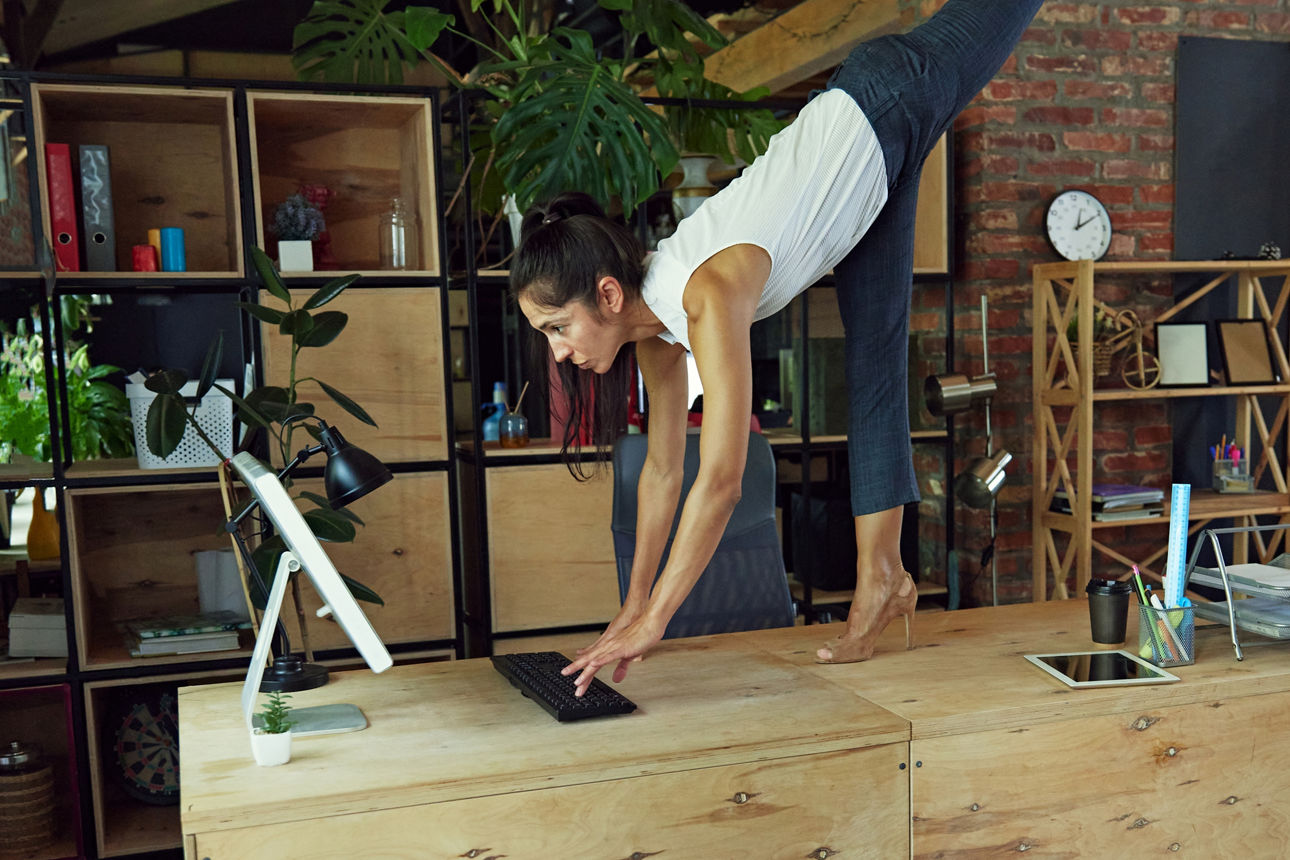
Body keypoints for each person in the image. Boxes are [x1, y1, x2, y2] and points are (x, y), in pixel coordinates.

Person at [510, 0, 1046, 696]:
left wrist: (659, 622)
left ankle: (881, 576)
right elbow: (664, 475)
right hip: (878, 175)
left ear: (607, 296)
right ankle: (882, 576)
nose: (557, 353)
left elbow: (723, 479)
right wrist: (632, 607)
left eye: (558, 328)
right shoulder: (657, 339)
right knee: (874, 364)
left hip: (885, 97)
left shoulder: (705, 292)